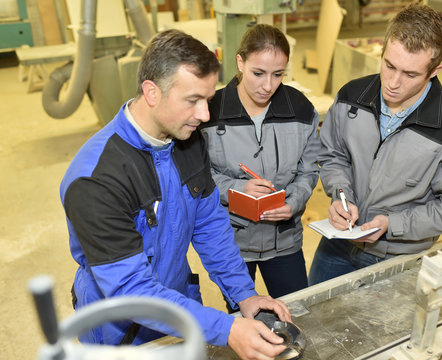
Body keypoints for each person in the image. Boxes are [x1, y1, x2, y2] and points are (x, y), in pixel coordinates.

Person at [60, 29, 292, 359]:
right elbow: (130, 290)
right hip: (121, 328)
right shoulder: (96, 179)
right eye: (193, 100)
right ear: (152, 92)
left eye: (208, 100)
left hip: (181, 303)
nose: (205, 115)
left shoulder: (188, 139)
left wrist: (244, 294)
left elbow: (210, 225)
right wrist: (225, 328)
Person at [308, 4, 442, 285]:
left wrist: (394, 225)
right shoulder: (351, 96)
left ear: (435, 70)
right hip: (339, 242)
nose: (392, 82)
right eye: (389, 65)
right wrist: (342, 196)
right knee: (312, 319)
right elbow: (333, 155)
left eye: (410, 74)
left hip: (395, 255)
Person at [201, 24, 321, 300]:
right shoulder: (209, 112)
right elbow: (200, 175)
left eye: (278, 74)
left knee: (296, 311)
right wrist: (236, 188)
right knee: (244, 320)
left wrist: (295, 202)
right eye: (258, 73)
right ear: (240, 62)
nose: (268, 86)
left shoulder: (301, 110)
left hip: (285, 240)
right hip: (233, 243)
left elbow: (308, 169)